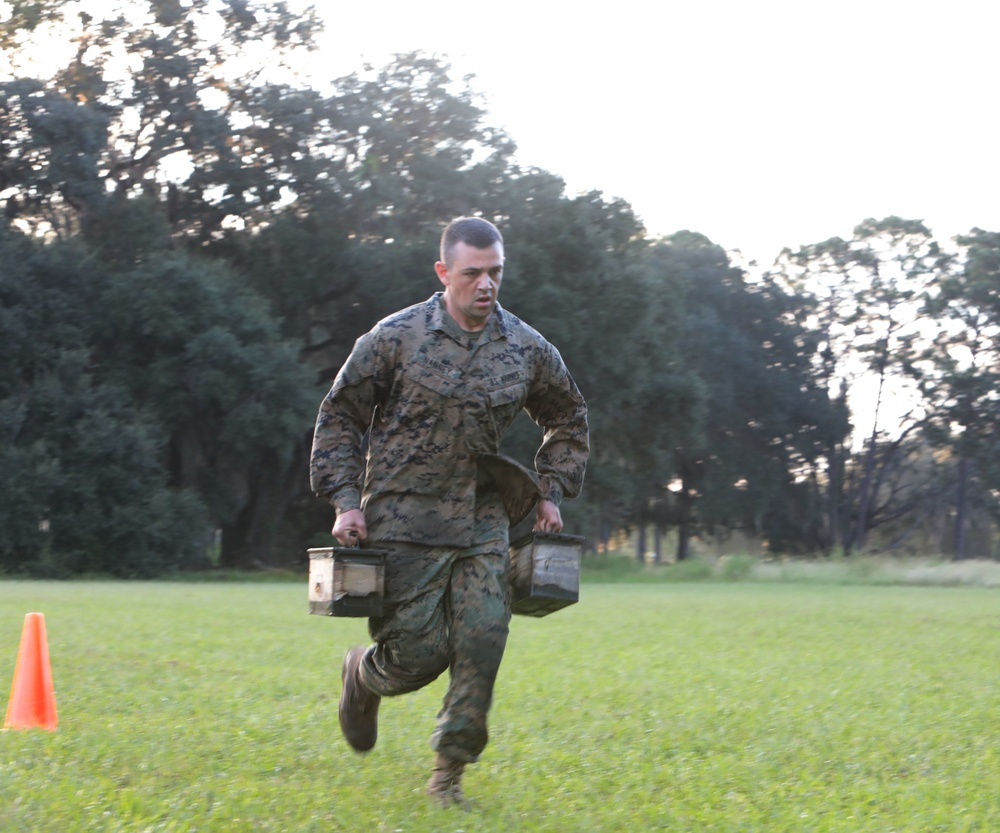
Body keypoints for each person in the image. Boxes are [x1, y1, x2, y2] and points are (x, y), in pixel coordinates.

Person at [309, 216, 589, 808]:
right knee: (416, 657)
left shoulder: (526, 347)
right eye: (473, 273)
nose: (487, 285)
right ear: (445, 273)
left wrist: (550, 490)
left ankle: (448, 777)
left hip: (482, 518)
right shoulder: (395, 337)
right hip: (402, 519)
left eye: (496, 273)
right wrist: (345, 501)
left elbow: (569, 419)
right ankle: (363, 674)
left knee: (483, 637)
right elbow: (340, 417)